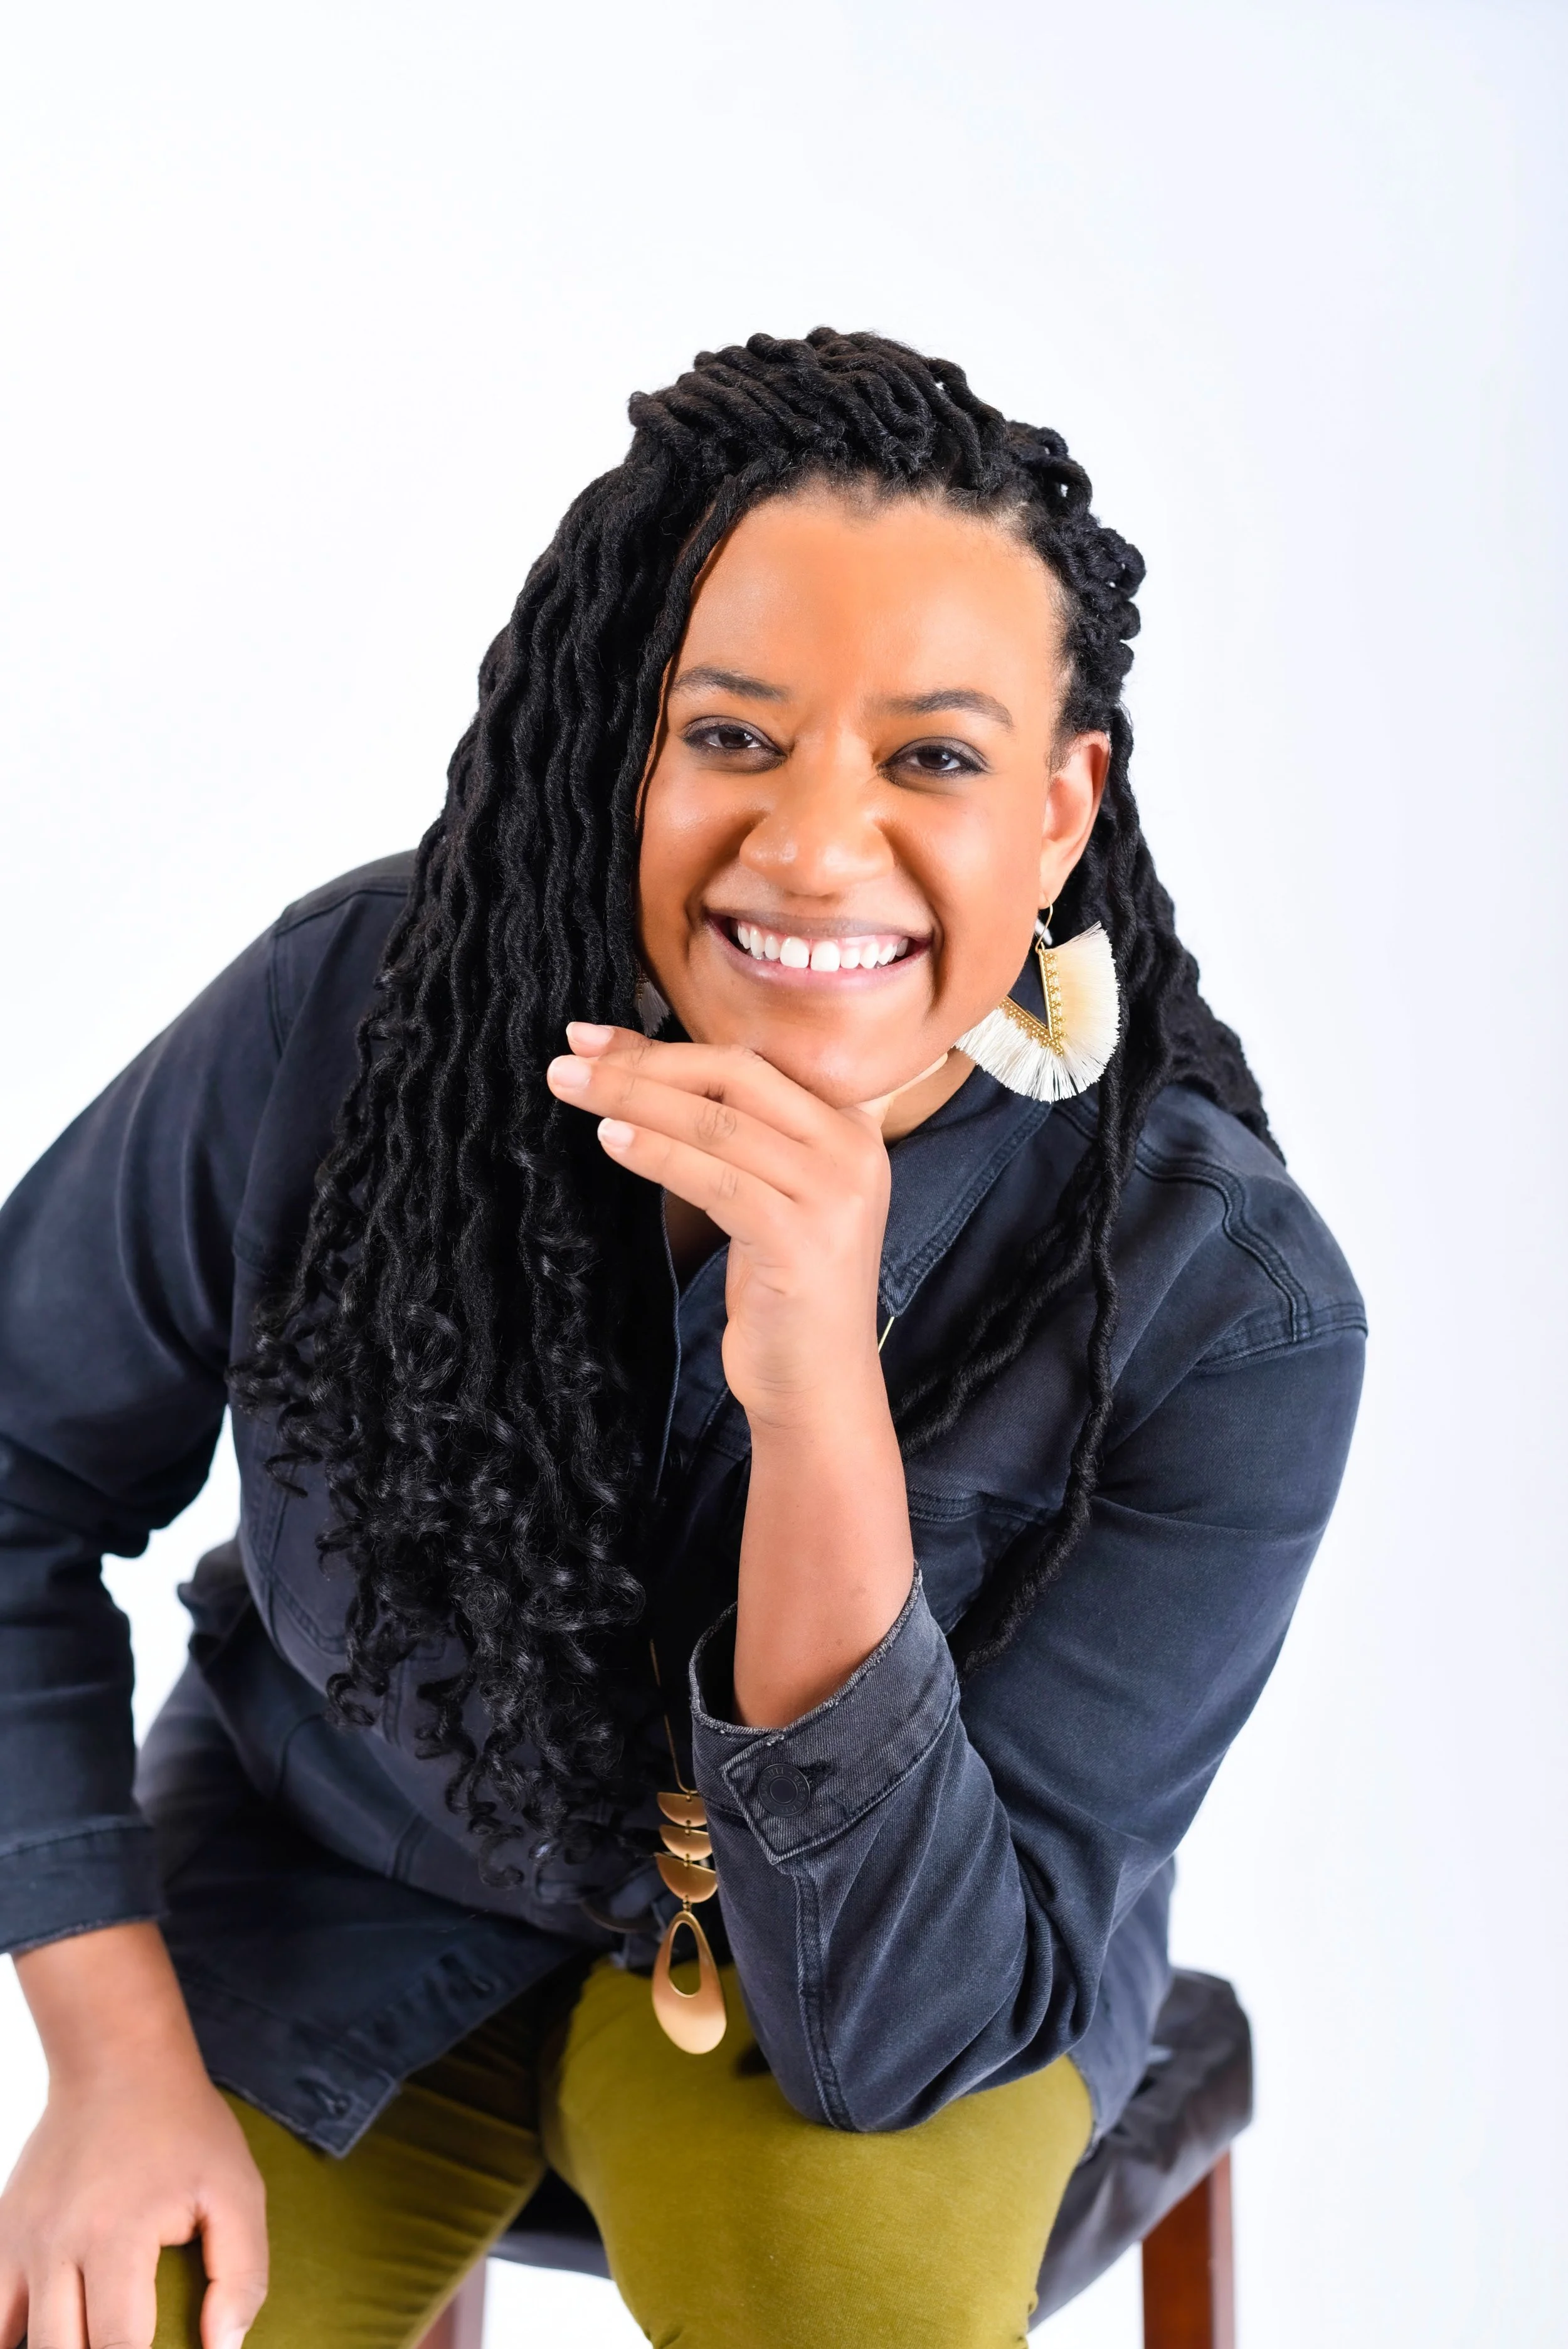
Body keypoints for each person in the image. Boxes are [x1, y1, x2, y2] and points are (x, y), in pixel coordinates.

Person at [0, 329, 1364, 2349]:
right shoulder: (354, 1020)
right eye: (729, 734)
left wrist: (818, 1390)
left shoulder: (1223, 1304)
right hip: (333, 1876)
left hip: (865, 1994)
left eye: (932, 758)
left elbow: (900, 2031)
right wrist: (110, 2063)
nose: (811, 849)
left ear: (1059, 810)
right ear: (616, 741)